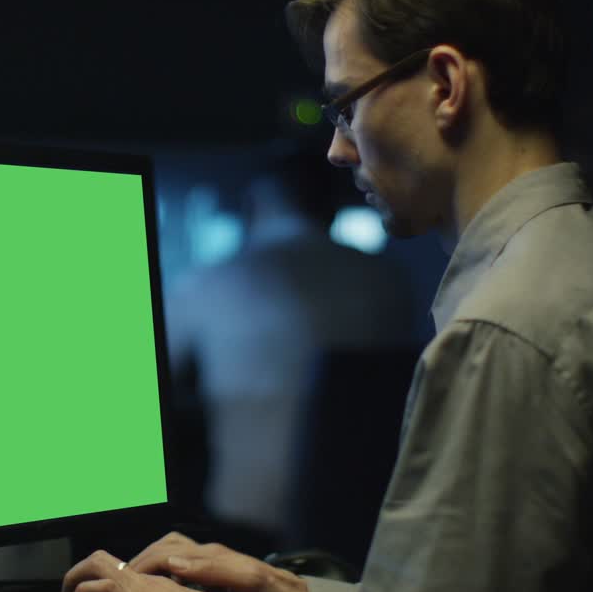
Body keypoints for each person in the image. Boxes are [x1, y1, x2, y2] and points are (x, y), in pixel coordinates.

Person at [59, 0, 593, 592]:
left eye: (346, 106)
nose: (336, 148)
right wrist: (283, 589)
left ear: (446, 84)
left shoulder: (504, 330)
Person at [164, 149, 414, 554]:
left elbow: (151, 394)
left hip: (247, 526)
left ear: (258, 203)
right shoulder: (389, 278)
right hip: (368, 523)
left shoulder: (208, 283)